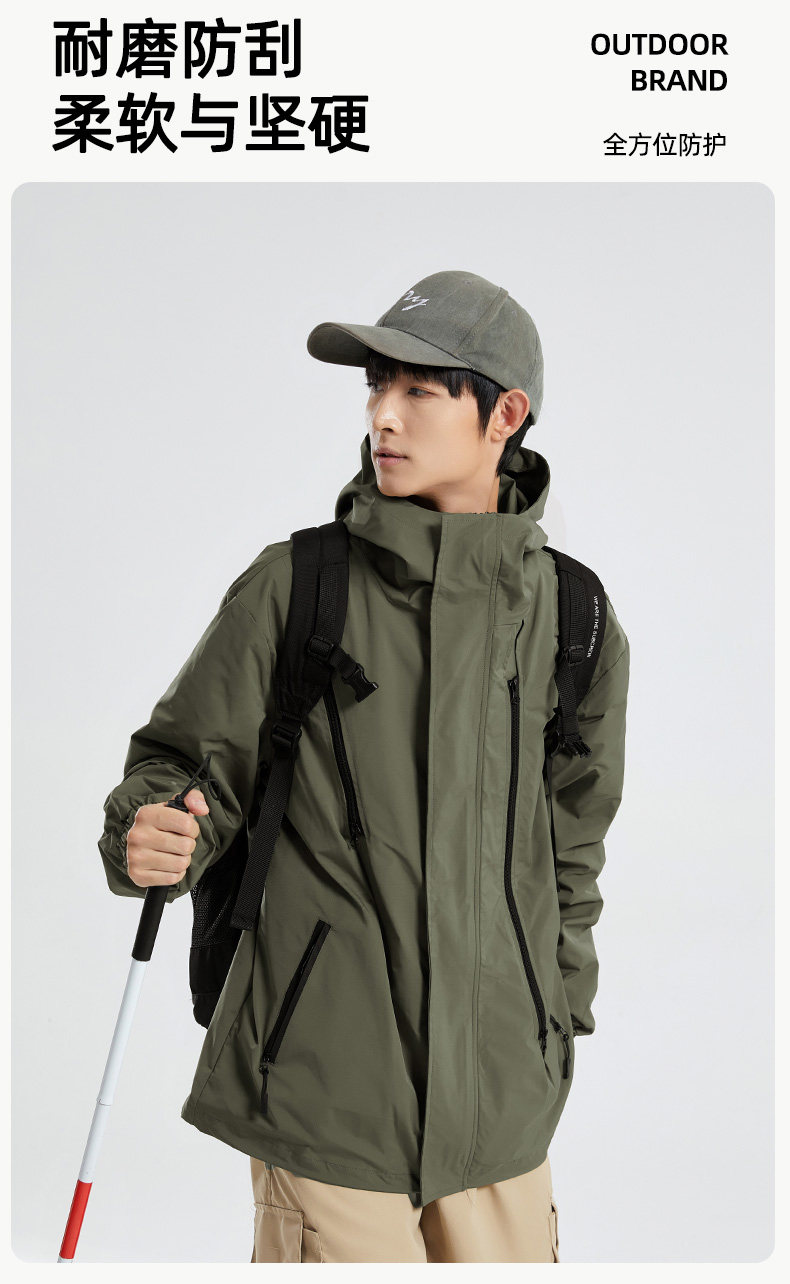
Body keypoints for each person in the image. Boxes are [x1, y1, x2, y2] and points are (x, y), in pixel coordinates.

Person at [98, 269, 630, 1263]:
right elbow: (184, 767)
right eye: (377, 387)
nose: (384, 415)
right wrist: (152, 828)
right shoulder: (296, 588)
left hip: (504, 1103)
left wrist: (553, 1018)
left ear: (505, 415)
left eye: (419, 391)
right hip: (323, 1088)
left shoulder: (572, 617)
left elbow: (572, 846)